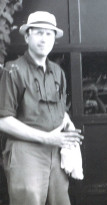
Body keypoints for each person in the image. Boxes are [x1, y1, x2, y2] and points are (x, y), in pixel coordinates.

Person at [0, 11, 83, 205]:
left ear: (54, 39)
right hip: (25, 152)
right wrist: (48, 137)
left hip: (56, 150)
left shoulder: (58, 72)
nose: (44, 39)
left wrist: (67, 122)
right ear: (27, 36)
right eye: (38, 33)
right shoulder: (13, 70)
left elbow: (60, 110)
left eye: (49, 34)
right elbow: (3, 120)